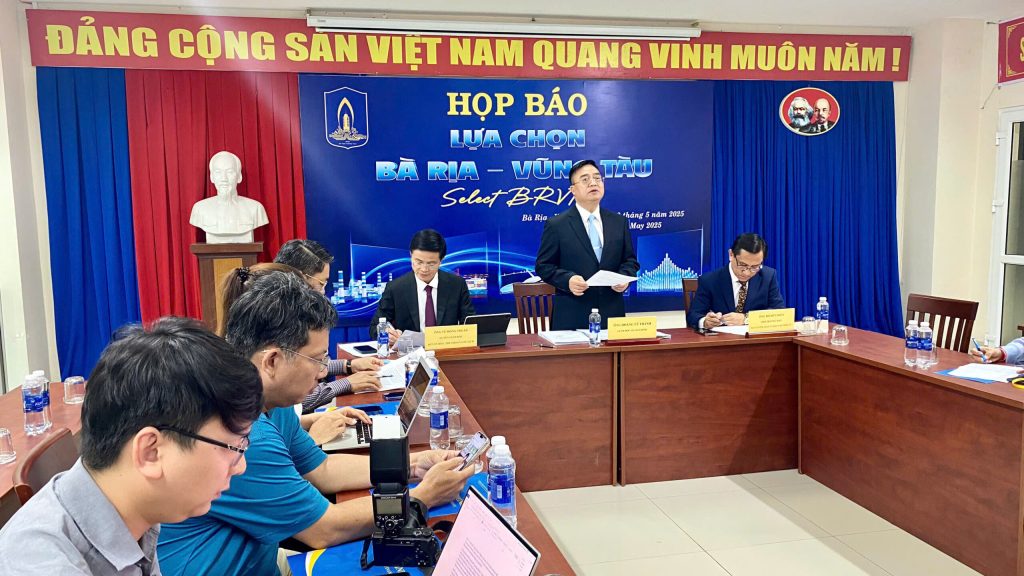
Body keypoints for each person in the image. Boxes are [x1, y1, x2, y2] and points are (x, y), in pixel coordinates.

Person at [157, 273, 474, 576]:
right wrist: (422, 497)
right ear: (272, 361)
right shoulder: (242, 434)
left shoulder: (270, 399)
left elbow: (322, 469)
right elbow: (325, 528)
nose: (324, 372)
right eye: (318, 359)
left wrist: (413, 465)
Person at [0, 317, 262, 575]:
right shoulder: (42, 564)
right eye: (232, 447)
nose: (241, 466)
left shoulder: (135, 510)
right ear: (151, 452)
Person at [218, 263, 379, 438]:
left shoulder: (275, 405)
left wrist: (347, 366)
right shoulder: (248, 426)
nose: (322, 371)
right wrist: (315, 438)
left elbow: (287, 426)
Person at [272, 240, 385, 410]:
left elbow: (307, 364)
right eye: (321, 284)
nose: (323, 292)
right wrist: (346, 384)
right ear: (300, 277)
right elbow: (294, 401)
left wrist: (348, 365)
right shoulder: (278, 317)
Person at [535, 159, 639, 329]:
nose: (593, 183)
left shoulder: (619, 222)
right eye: (585, 179)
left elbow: (630, 261)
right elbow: (543, 266)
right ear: (573, 190)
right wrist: (567, 280)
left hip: (611, 314)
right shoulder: (557, 225)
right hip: (571, 315)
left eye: (597, 178)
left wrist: (624, 279)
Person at [369, 229, 476, 343]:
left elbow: (470, 325)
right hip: (409, 351)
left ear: (441, 260)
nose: (424, 269)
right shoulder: (395, 288)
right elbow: (374, 328)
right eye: (419, 262)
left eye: (431, 264)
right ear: (411, 255)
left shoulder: (457, 285)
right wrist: (387, 334)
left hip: (446, 349)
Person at [686, 233, 786, 329]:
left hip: (755, 338)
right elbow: (693, 315)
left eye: (755, 267)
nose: (747, 273)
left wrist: (746, 319)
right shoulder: (709, 280)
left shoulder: (768, 276)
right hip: (723, 338)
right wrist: (705, 321)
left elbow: (779, 313)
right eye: (743, 265)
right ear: (731, 255)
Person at [190, 151, 269, 244]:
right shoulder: (199, 209)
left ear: (239, 177)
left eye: (230, 172)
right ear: (212, 177)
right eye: (218, 172)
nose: (224, 178)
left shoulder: (255, 208)